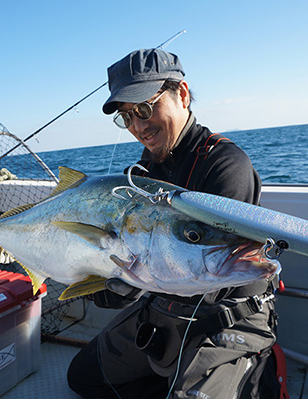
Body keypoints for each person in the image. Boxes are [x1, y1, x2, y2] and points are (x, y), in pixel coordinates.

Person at [65, 49, 279, 399]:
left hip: (227, 315)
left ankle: (251, 368)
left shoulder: (226, 165)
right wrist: (108, 283)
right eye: (126, 117)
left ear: (181, 93)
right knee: (83, 377)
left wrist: (128, 282)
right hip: (165, 306)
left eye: (145, 110)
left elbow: (216, 271)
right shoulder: (144, 174)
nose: (138, 127)